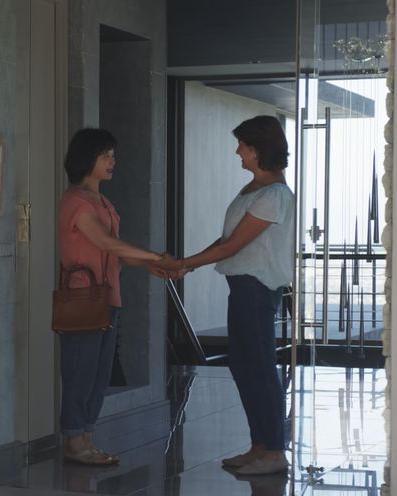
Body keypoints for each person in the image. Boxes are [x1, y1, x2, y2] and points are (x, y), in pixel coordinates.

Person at [156, 115, 295, 476]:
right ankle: (260, 445)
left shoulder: (274, 195)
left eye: (243, 146)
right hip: (242, 286)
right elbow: (228, 240)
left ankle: (275, 451)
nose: (238, 152)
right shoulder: (253, 190)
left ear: (258, 148)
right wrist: (189, 265)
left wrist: (186, 263)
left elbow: (234, 245)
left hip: (257, 289)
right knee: (244, 366)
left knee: (260, 367)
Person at [57, 128, 170, 466]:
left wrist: (152, 264)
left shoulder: (103, 201)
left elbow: (116, 252)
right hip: (82, 300)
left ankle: (87, 438)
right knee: (81, 369)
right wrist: (154, 257)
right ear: (86, 158)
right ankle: (74, 441)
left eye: (112, 156)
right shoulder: (75, 201)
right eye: (105, 155)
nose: (112, 162)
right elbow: (106, 244)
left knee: (99, 373)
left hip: (108, 298)